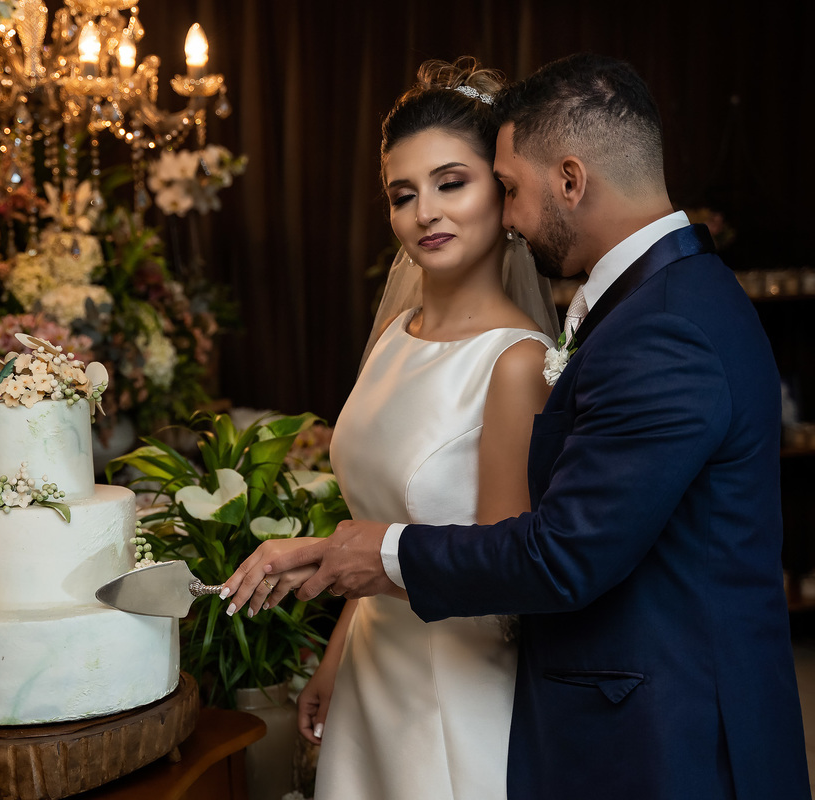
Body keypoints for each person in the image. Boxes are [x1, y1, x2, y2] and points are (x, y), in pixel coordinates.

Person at [224, 53, 810, 799]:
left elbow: (561, 554)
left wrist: (374, 553)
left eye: (507, 189)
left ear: (570, 180)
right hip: (609, 708)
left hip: (671, 733)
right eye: (404, 193)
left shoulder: (665, 329)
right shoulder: (657, 301)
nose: (509, 216)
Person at [230, 58, 559, 799]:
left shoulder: (515, 363)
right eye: (403, 194)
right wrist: (336, 657)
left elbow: (502, 582)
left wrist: (324, 556)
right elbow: (375, 522)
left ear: (502, 192)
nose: (425, 213)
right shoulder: (394, 336)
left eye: (452, 183)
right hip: (372, 675)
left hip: (451, 694)